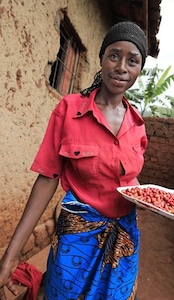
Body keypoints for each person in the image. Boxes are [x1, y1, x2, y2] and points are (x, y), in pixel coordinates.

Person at [0, 21, 148, 300]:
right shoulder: (68, 111)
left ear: (140, 69)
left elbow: (129, 180)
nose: (121, 67)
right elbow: (47, 180)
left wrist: (145, 197)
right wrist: (11, 255)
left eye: (133, 60)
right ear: (102, 58)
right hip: (76, 242)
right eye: (114, 55)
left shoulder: (138, 126)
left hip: (123, 241)